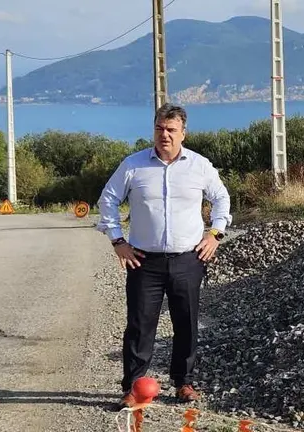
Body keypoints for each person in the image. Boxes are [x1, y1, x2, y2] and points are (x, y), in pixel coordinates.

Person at [95, 103, 232, 407]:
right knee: (140, 325)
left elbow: (222, 198)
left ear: (183, 133)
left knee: (187, 323)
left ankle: (183, 382)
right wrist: (117, 240)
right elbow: (108, 200)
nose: (164, 135)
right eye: (159, 128)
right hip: (144, 261)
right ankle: (132, 387)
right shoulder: (133, 165)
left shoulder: (199, 165)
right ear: (153, 130)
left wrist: (215, 234)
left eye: (171, 129)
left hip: (188, 259)